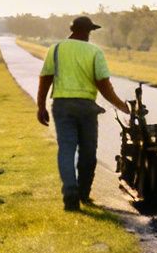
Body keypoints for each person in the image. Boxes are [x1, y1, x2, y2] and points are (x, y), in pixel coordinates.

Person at [35, 16, 131, 211]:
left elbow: (45, 78)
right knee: (88, 152)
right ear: (88, 32)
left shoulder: (56, 49)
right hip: (86, 108)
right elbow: (103, 85)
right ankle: (84, 194)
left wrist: (41, 106)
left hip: (62, 106)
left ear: (72, 30)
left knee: (66, 150)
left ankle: (70, 193)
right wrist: (122, 106)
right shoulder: (95, 51)